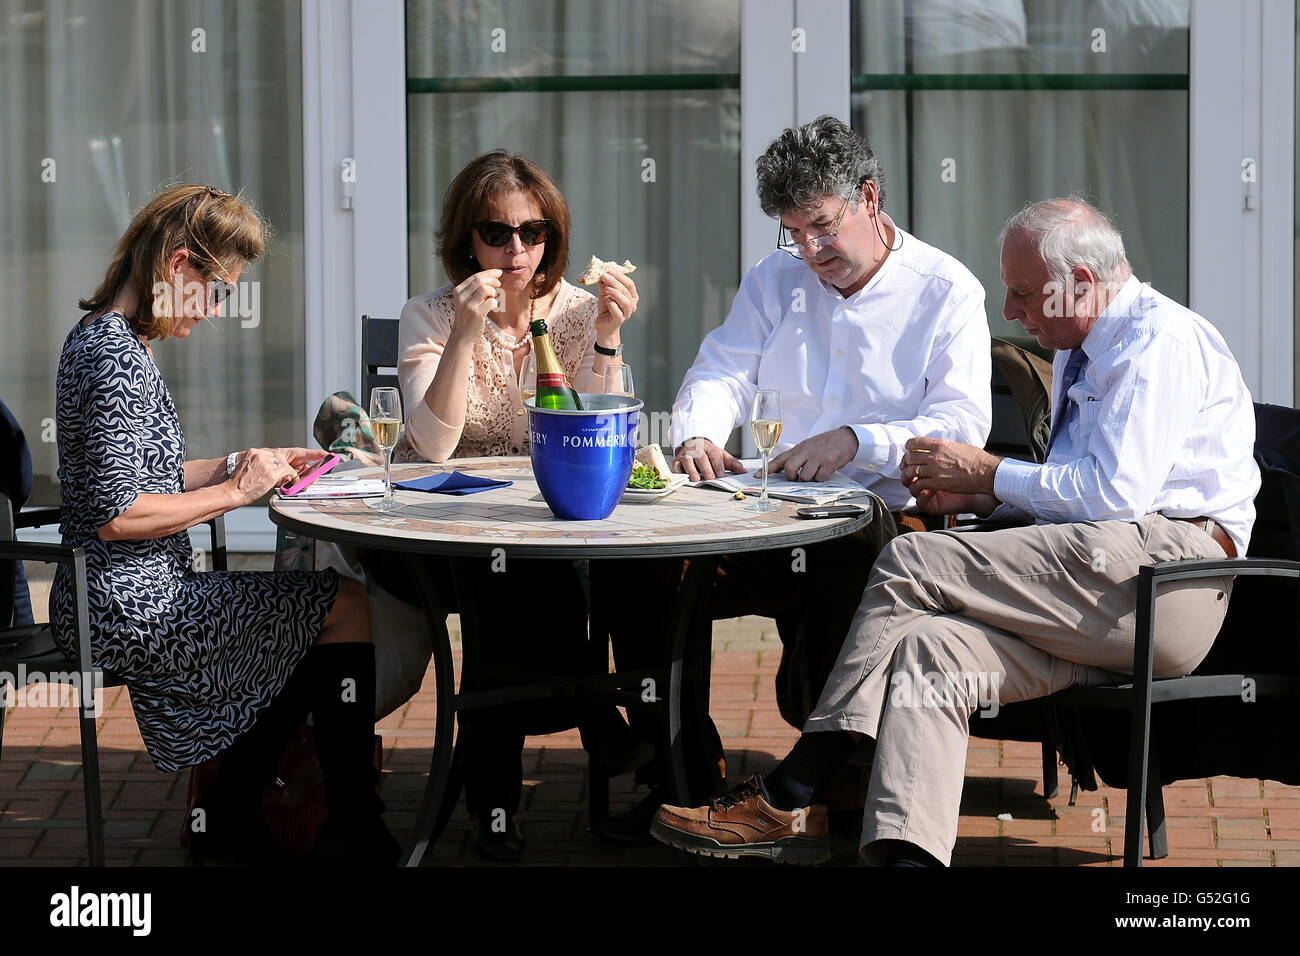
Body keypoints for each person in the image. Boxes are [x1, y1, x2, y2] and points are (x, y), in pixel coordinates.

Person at [649, 197, 1258, 866]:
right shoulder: (1092, 351)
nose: (1010, 311)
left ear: (1080, 283)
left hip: (1164, 587)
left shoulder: (1155, 341)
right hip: (1101, 588)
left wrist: (989, 472)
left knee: (912, 560)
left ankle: (789, 790)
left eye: (1023, 293)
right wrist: (979, 496)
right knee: (930, 656)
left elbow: (1111, 496)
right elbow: (1079, 502)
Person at [595, 116, 992, 841]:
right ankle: (681, 777)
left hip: (881, 518)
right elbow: (721, 368)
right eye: (793, 233)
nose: (808, 251)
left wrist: (858, 441)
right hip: (758, 513)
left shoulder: (946, 290)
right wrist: (698, 433)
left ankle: (834, 798)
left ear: (868, 199)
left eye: (821, 228)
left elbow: (962, 428)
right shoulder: (776, 278)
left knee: (856, 567)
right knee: (641, 569)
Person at [51, 184, 399, 866]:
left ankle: (239, 811)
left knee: (317, 615)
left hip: (124, 596)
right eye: (216, 291)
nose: (214, 310)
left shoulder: (109, 339)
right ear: (178, 265)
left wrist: (243, 463)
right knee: (342, 608)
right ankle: (334, 822)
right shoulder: (115, 357)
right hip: (128, 608)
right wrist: (239, 492)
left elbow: (136, 478)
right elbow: (120, 517)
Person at [375, 150, 642, 860]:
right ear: (468, 239)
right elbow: (431, 446)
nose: (516, 249)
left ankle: (491, 792)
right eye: (496, 233)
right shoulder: (429, 314)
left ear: (553, 237)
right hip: (436, 532)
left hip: (545, 529)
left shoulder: (582, 313)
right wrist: (466, 332)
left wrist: (609, 339)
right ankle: (600, 718)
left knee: (534, 576)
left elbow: (602, 439)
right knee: (514, 575)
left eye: (534, 232)